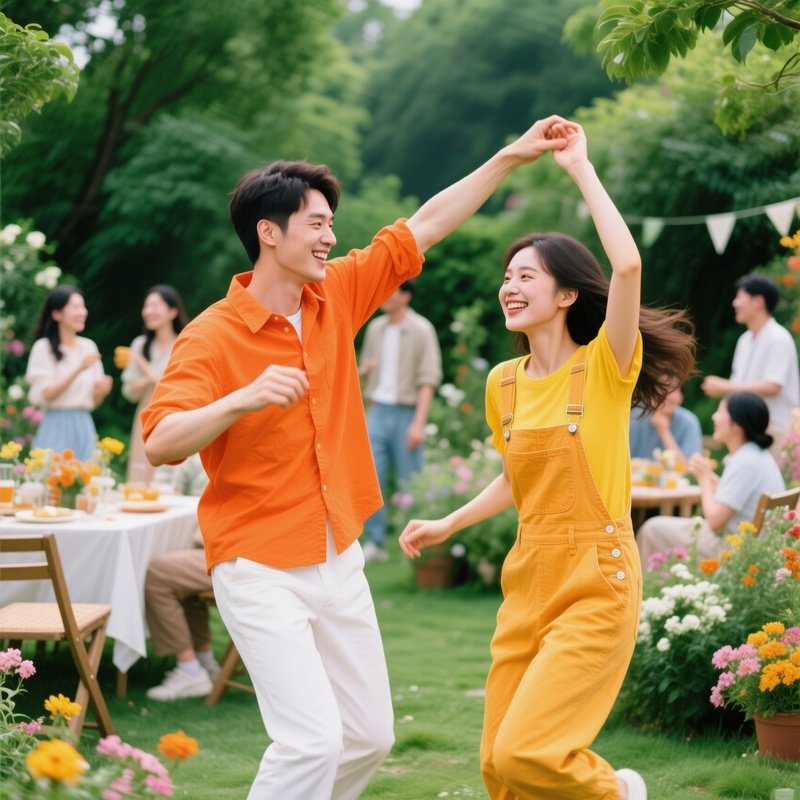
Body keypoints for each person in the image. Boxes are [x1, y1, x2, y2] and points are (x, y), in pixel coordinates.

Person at [141, 116, 572, 800]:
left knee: (369, 737)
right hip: (256, 562)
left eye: (330, 223)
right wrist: (240, 399)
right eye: (316, 222)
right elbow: (160, 441)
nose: (330, 236)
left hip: (336, 551)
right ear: (269, 232)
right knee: (310, 741)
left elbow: (425, 225)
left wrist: (511, 157)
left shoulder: (333, 294)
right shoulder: (210, 338)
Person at [399, 120, 696, 800]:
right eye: (507, 276)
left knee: (531, 752)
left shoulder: (608, 366)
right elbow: (514, 478)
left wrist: (580, 168)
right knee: (500, 770)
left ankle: (619, 790)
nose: (510, 285)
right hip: (529, 573)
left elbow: (626, 268)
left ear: (565, 294)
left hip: (598, 576)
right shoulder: (502, 382)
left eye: (526, 275)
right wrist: (448, 524)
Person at [637, 392, 784, 572]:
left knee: (653, 529)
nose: (714, 417)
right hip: (749, 543)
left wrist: (704, 479)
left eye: (721, 412)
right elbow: (735, 496)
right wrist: (711, 478)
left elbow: (715, 520)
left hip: (732, 547)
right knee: (661, 527)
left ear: (737, 426)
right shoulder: (757, 456)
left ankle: (645, 592)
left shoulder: (745, 461)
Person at [358, 279, 442, 562]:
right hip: (377, 412)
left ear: (405, 296)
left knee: (411, 481)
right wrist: (365, 371)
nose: (384, 295)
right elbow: (365, 372)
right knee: (372, 479)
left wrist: (418, 424)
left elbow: (428, 380)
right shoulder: (375, 329)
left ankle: (416, 542)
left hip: (407, 413)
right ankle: (376, 543)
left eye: (391, 290)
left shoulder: (422, 330)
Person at [143, 454, 219, 701]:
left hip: (243, 555)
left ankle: (190, 671)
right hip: (245, 551)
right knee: (177, 574)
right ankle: (205, 662)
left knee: (160, 573)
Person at [702, 274, 800, 449]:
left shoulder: (778, 338)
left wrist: (725, 387)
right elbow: (739, 383)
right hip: (747, 428)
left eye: (740, 297)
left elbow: (772, 386)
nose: (735, 303)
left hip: (776, 429)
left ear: (758, 301)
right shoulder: (744, 340)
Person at [26, 285, 113, 461]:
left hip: (84, 424)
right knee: (51, 481)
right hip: (55, 423)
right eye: (75, 307)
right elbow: (48, 394)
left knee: (86, 482)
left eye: (83, 306)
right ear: (57, 314)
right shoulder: (43, 348)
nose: (82, 312)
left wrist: (101, 392)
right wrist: (79, 369)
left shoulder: (89, 346)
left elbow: (94, 402)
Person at [121, 285, 188, 485]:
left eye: (155, 305)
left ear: (172, 311)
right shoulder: (140, 346)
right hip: (145, 416)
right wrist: (148, 378)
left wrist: (148, 371)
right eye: (146, 306)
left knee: (169, 477)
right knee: (141, 475)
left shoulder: (185, 343)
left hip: (176, 416)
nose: (148, 311)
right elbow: (129, 391)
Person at [629, 380, 702, 461]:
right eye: (663, 389)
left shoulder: (689, 421)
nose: (669, 396)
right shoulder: (636, 416)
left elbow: (690, 468)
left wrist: (664, 432)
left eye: (674, 390)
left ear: (681, 396)